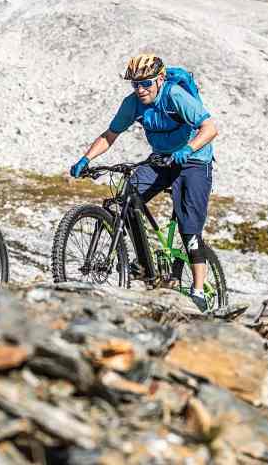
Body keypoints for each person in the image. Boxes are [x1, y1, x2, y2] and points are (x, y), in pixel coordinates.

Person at [69, 54, 219, 307]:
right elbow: (110, 134)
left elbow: (210, 128)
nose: (140, 89)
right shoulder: (133, 103)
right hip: (161, 158)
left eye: (146, 83)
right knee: (125, 201)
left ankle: (199, 291)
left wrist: (188, 149)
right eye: (135, 84)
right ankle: (143, 263)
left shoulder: (175, 96)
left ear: (160, 79)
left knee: (189, 227)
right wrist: (86, 159)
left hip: (194, 160)